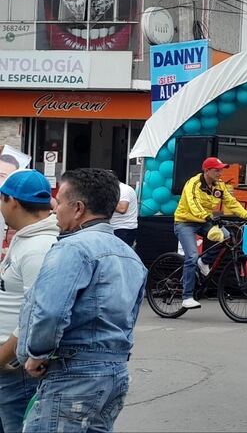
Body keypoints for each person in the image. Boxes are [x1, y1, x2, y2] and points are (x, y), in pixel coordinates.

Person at [19, 168, 146, 432]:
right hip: (114, 372)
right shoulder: (129, 255)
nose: (55, 210)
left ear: (78, 208)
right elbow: (130, 317)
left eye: (60, 202)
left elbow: (51, 312)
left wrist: (37, 353)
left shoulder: (72, 248)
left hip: (73, 375)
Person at [0, 170, 57, 432]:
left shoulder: (38, 247)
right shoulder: (26, 237)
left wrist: (3, 357)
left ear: (12, 201)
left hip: (14, 366)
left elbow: (37, 313)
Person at [173, 157, 247, 310]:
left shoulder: (219, 186)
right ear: (206, 170)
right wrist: (207, 216)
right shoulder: (193, 184)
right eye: (217, 170)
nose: (220, 172)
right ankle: (187, 296)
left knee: (228, 237)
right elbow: (193, 204)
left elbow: (231, 202)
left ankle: (204, 262)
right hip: (185, 222)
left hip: (204, 221)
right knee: (191, 256)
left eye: (221, 169)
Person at [111, 177, 138, 247]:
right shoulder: (115, 190)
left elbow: (122, 209)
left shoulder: (123, 190)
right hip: (116, 227)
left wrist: (106, 198)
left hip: (123, 228)